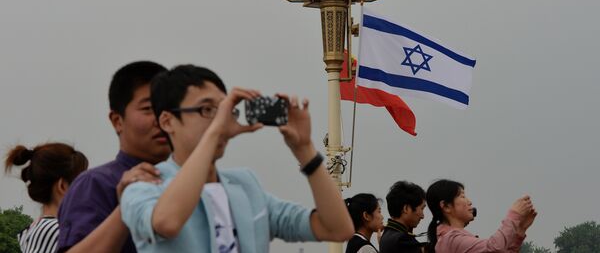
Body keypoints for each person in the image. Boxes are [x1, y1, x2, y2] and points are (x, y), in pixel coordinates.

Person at [120, 64, 354, 252]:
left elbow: (337, 229)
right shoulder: (144, 185)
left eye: (223, 109)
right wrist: (215, 132)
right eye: (206, 110)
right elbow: (167, 222)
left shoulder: (245, 186)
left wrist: (305, 149)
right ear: (167, 122)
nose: (220, 120)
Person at [56, 61, 171, 253]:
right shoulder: (95, 184)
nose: (161, 119)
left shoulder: (187, 183)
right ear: (117, 121)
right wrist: (127, 206)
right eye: (149, 109)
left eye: (168, 109)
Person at [4, 143, 88, 253]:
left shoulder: (33, 230)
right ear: (62, 186)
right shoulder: (60, 233)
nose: (87, 190)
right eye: (81, 182)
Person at [425, 179, 537, 253]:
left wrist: (520, 230)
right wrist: (513, 215)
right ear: (446, 206)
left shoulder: (450, 238)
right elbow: (494, 248)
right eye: (462, 196)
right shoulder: (452, 239)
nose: (469, 202)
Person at [379, 181, 427, 253]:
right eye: (422, 208)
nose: (423, 216)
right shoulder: (401, 239)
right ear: (406, 208)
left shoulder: (387, 234)